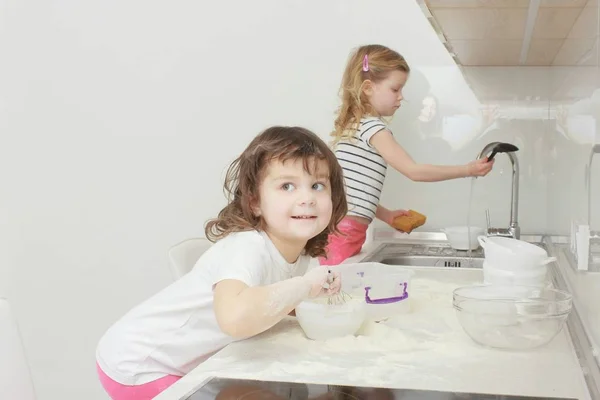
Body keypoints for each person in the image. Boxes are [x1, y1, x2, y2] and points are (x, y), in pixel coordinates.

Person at [95, 126, 348, 399]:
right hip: (140, 365)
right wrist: (304, 288)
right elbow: (234, 318)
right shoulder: (247, 247)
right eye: (287, 186)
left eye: (317, 185)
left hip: (194, 363)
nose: (307, 198)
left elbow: (283, 305)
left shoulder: (304, 255)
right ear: (254, 202)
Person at [320, 44, 495, 266]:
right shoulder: (373, 128)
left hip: (341, 230)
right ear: (368, 88)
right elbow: (414, 171)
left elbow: (352, 192)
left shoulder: (355, 126)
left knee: (333, 290)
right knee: (333, 291)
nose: (401, 97)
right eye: (395, 89)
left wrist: (387, 215)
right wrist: (467, 170)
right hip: (344, 233)